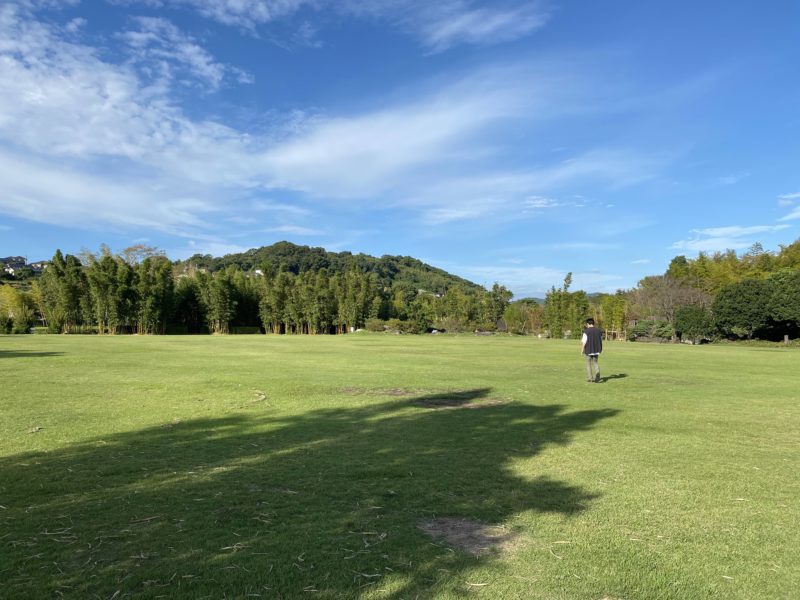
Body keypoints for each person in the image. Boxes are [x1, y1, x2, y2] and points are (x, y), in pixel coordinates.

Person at [581, 318, 603, 383]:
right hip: (596, 350)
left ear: (588, 324)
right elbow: (599, 340)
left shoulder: (586, 331)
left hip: (588, 350)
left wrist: (582, 350)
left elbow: (584, 342)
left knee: (588, 364)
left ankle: (590, 378)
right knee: (595, 363)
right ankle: (598, 378)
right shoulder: (599, 331)